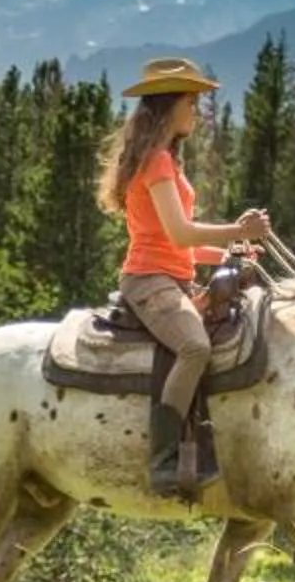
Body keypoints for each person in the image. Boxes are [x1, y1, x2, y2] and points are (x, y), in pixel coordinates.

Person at [98, 56, 270, 497]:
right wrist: (239, 231)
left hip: (170, 276)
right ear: (170, 105)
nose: (196, 110)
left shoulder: (165, 162)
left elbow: (183, 245)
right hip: (149, 281)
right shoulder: (156, 162)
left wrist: (235, 250)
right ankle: (164, 461)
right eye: (191, 103)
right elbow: (180, 233)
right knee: (194, 346)